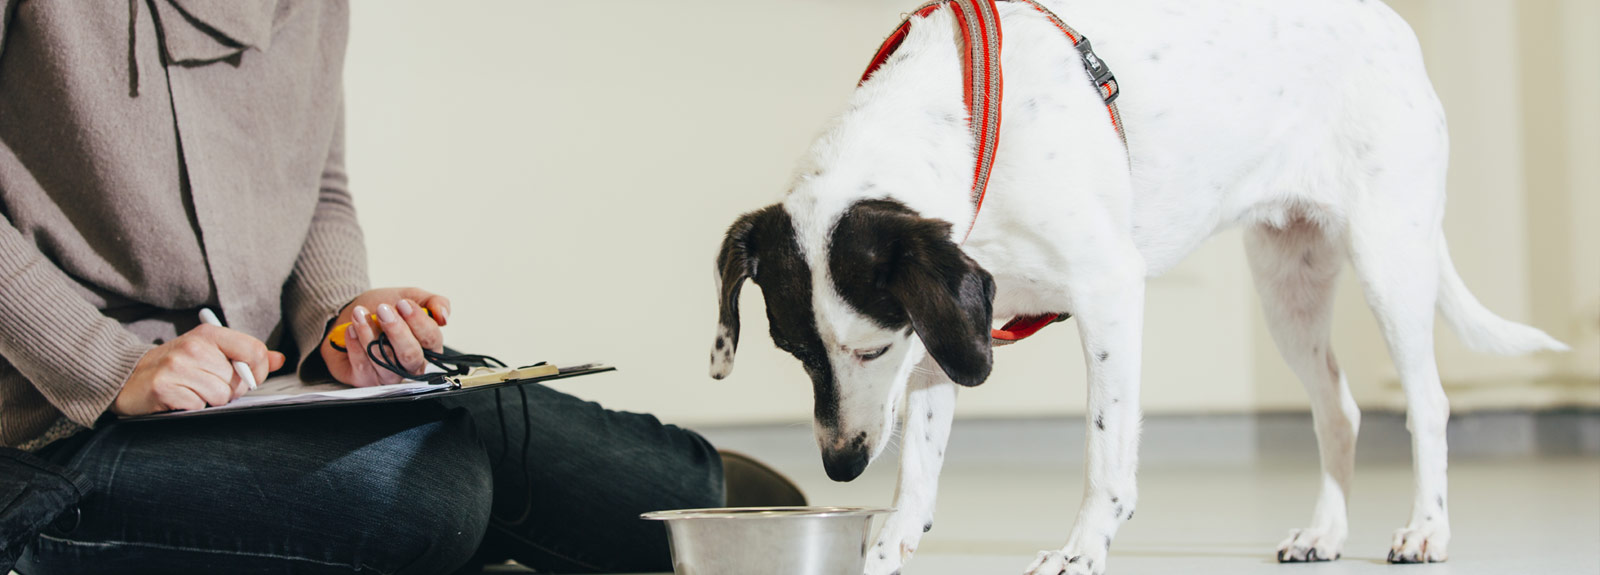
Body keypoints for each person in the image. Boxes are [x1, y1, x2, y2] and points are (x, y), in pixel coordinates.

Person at [0, 2, 727, 572]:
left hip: (270, 386)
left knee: (681, 489)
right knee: (435, 497)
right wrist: (108, 364)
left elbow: (320, 184)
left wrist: (341, 317)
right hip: (61, 416)